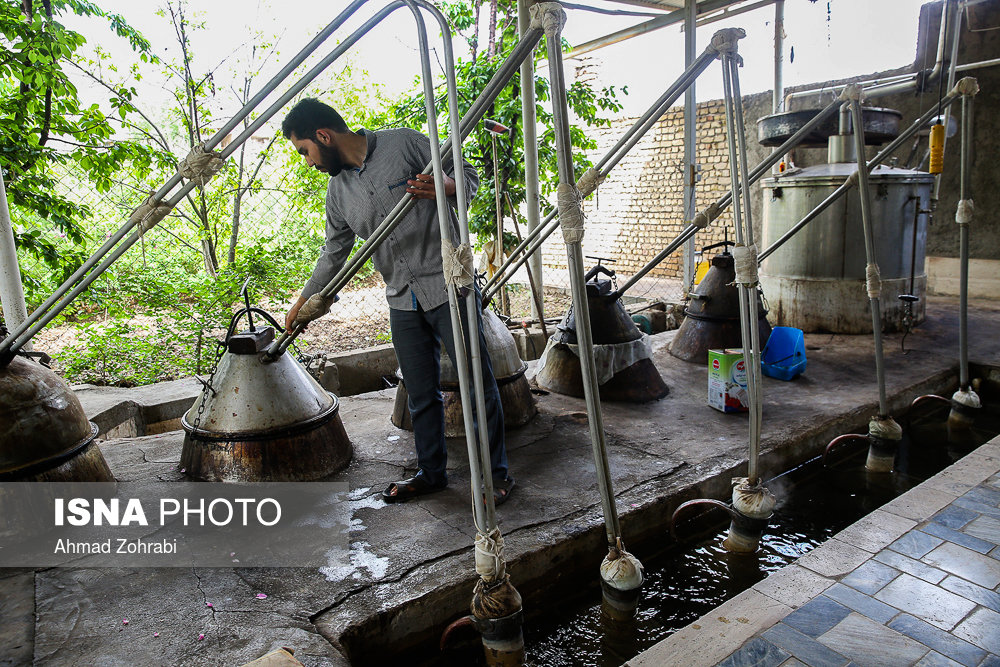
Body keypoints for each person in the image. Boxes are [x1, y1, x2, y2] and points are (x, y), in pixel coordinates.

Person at [281, 98, 514, 505]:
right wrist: (305, 301)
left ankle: (497, 475)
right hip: (402, 299)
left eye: (305, 150)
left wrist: (448, 188)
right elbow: (334, 252)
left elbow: (469, 175)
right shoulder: (338, 193)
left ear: (323, 136)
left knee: (476, 383)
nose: (308, 161)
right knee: (420, 394)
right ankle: (432, 474)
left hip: (448, 286)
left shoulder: (405, 144)